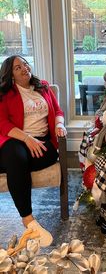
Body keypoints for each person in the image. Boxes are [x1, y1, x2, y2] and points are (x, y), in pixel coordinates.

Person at [0, 55, 67, 247]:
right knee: (15, 153)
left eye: (25, 64)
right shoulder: (5, 93)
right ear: (10, 75)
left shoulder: (43, 87)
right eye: (17, 68)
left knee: (15, 162)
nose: (24, 69)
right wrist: (27, 138)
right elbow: (2, 123)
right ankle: (28, 220)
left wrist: (60, 125)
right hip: (16, 140)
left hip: (43, 146)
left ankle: (10, 167)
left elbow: (58, 111)